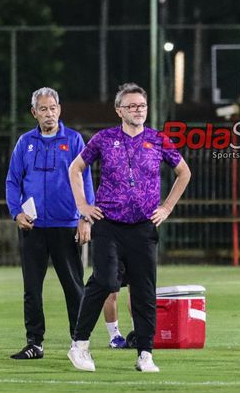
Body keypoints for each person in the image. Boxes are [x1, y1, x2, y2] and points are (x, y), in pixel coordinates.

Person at [67, 82, 191, 372]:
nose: (138, 110)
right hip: (109, 223)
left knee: (145, 290)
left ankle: (145, 353)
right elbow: (75, 169)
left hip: (143, 227)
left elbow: (184, 172)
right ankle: (80, 345)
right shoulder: (104, 139)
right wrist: (83, 207)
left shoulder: (158, 139)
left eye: (142, 106)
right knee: (107, 280)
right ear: (119, 110)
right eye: (132, 106)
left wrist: (167, 207)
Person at [5, 87, 94, 360]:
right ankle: (35, 343)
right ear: (34, 113)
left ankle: (79, 344)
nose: (49, 113)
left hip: (66, 225)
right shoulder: (24, 143)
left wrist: (85, 218)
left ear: (60, 109)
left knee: (74, 287)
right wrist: (16, 212)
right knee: (32, 288)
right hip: (33, 227)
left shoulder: (75, 140)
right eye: (43, 109)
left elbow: (85, 181)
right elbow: (12, 181)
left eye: (53, 108)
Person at [102, 262, 132, 348]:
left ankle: (137, 333)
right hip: (113, 251)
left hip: (134, 250)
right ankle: (114, 336)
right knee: (111, 291)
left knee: (135, 290)